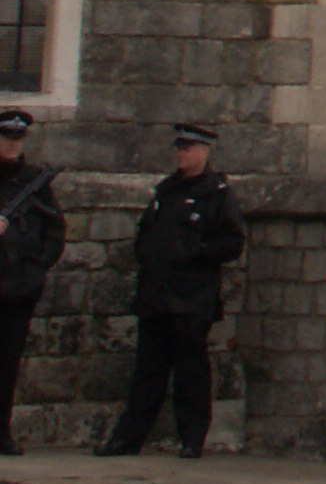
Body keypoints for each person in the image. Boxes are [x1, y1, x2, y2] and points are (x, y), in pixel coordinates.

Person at [97, 123, 245, 460]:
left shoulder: (217, 194)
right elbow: (148, 236)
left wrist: (195, 253)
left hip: (192, 297)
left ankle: (192, 438)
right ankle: (128, 438)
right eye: (179, 149)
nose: (182, 155)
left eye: (188, 149)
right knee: (148, 370)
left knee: (191, 371)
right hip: (157, 294)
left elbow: (232, 242)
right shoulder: (166, 191)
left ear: (204, 152)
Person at [0, 107, 66, 456]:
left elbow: (54, 230)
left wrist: (36, 268)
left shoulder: (34, 182)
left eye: (17, 138)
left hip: (17, 288)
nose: (12, 144)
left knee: (7, 364)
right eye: (6, 138)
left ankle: (1, 431)